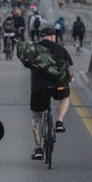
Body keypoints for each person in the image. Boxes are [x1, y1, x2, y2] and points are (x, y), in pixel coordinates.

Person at [28, 28, 74, 160]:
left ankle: (38, 149)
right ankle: (59, 121)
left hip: (39, 87)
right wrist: (70, 80)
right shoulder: (60, 49)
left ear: (41, 37)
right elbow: (69, 69)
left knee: (37, 115)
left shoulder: (33, 49)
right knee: (65, 97)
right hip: (59, 85)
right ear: (53, 37)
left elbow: (30, 68)